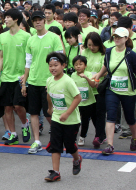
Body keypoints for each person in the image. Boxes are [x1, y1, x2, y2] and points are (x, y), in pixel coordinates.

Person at [94, 27, 136, 155]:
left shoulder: (131, 54)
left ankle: (134, 137)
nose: (116, 39)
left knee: (130, 117)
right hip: (112, 89)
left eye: (120, 37)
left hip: (128, 91)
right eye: (115, 36)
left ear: (126, 39)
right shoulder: (109, 51)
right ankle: (110, 145)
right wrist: (98, 75)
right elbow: (106, 66)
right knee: (110, 115)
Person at [21, 11, 64, 154]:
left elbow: (59, 61)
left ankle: (61, 136)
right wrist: (24, 82)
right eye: (35, 20)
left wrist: (55, 80)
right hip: (33, 81)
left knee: (50, 113)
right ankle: (37, 141)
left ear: (45, 20)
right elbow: (28, 62)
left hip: (49, 82)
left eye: (40, 20)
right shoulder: (31, 40)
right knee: (33, 112)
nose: (37, 22)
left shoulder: (54, 38)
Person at [0, 8, 31, 145]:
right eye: (5, 17)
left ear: (16, 19)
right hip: (6, 77)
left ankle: (25, 124)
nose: (5, 20)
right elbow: (1, 57)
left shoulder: (26, 37)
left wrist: (26, 75)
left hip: (20, 78)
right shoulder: (2, 36)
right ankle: (13, 134)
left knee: (18, 106)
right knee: (7, 107)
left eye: (8, 17)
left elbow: (30, 58)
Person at [44, 52, 82, 182]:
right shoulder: (49, 80)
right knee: (55, 145)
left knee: (70, 145)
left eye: (56, 65)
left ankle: (77, 159)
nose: (53, 68)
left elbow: (78, 98)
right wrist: (50, 108)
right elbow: (49, 94)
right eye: (50, 66)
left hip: (71, 120)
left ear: (64, 65)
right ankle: (56, 172)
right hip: (56, 119)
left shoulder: (68, 81)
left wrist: (67, 113)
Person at [79, 32, 107, 148]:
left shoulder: (103, 54)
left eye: (94, 45)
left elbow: (106, 70)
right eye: (89, 45)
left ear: (99, 44)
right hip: (86, 88)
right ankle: (101, 134)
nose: (91, 47)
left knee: (99, 113)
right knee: (89, 113)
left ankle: (98, 137)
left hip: (99, 87)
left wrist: (97, 77)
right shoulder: (85, 52)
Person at [71, 55, 96, 146]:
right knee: (76, 121)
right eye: (76, 64)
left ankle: (82, 137)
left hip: (88, 103)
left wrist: (86, 77)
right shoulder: (73, 75)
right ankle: (73, 137)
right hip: (77, 103)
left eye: (80, 64)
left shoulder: (88, 74)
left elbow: (93, 85)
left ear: (85, 65)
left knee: (85, 121)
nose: (78, 66)